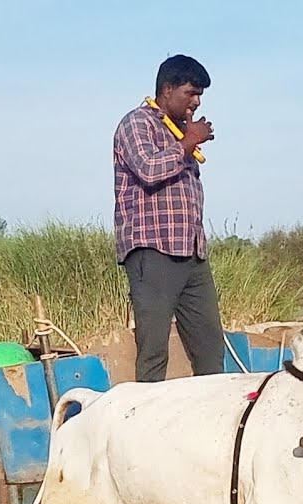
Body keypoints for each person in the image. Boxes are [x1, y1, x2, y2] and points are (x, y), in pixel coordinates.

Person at [113, 53, 224, 381]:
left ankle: (212, 422)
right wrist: (190, 141)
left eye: (200, 95)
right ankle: (145, 425)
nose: (197, 102)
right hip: (154, 251)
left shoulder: (176, 131)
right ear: (167, 89)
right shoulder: (137, 123)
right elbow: (149, 170)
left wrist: (186, 139)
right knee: (153, 351)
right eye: (190, 93)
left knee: (210, 349)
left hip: (191, 253)